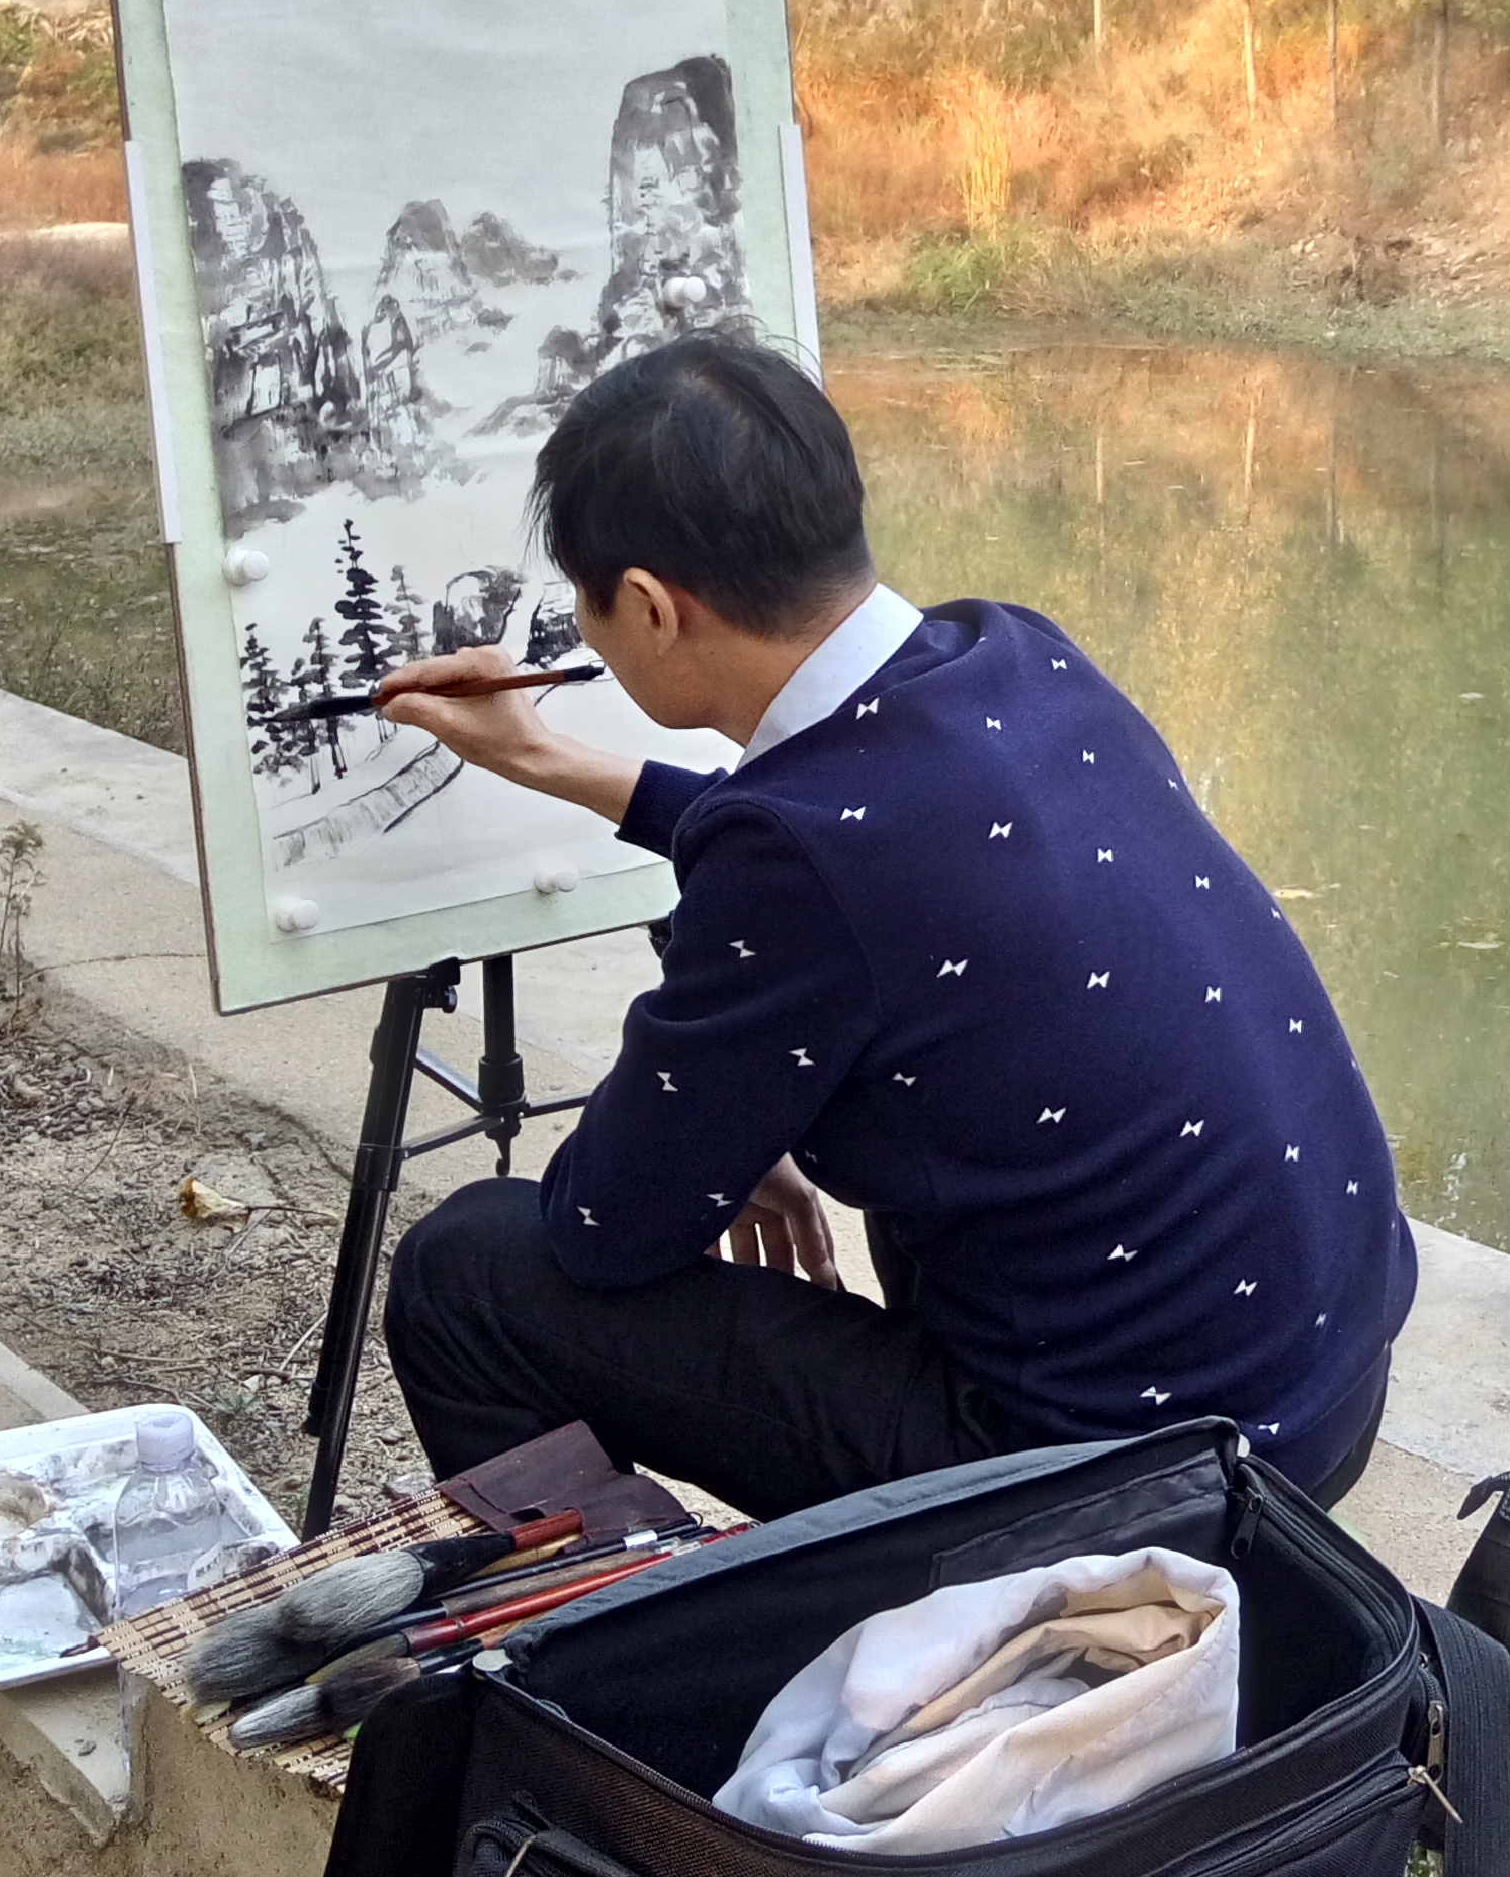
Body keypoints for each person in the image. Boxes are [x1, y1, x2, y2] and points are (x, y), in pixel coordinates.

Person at [370, 333, 1416, 1522]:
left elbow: (609, 1226)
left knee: (468, 1273)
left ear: (652, 608)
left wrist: (718, 1117)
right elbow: (876, 855)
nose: (581, 629)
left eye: (584, 598)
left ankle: (626, 1669)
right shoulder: (1013, 655)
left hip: (1119, 1484)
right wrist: (557, 762)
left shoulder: (798, 856)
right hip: (1311, 1402)